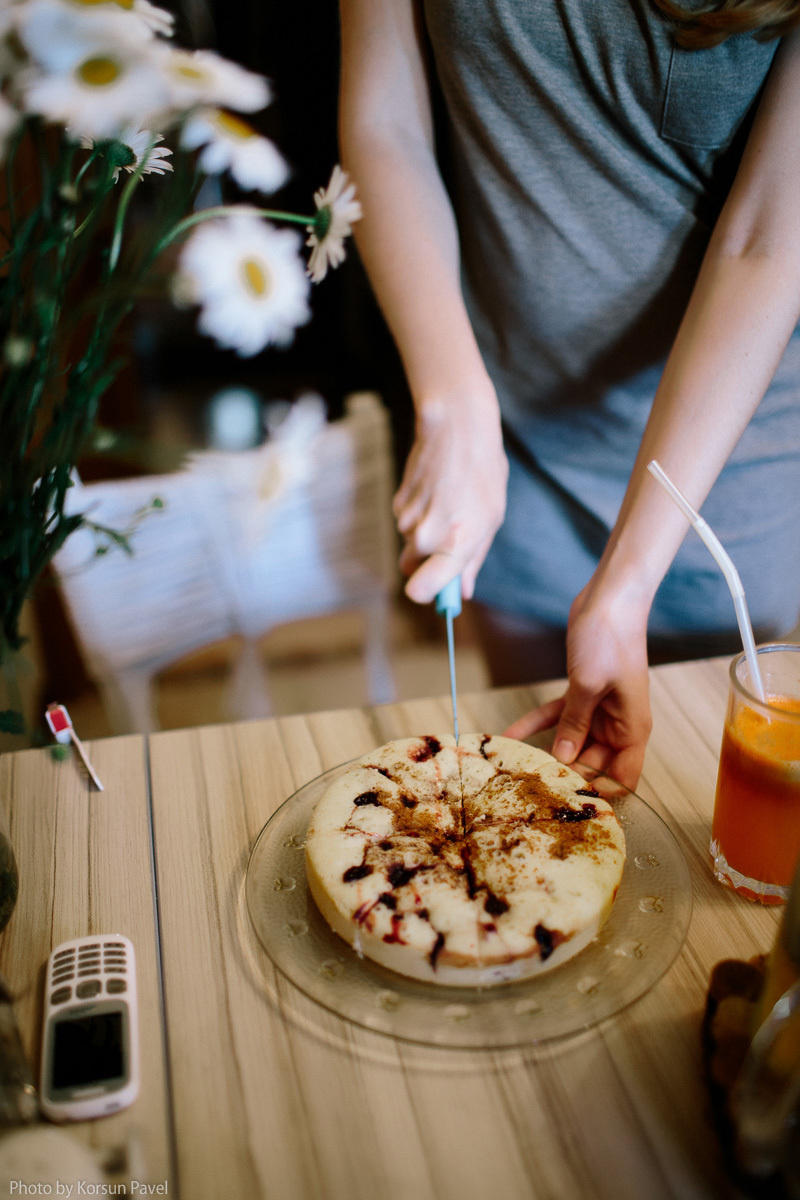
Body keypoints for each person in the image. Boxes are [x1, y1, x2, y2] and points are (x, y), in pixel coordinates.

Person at [339, 0, 800, 788]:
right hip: (509, 437)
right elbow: (385, 122)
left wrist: (626, 586)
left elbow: (769, 238)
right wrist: (454, 400)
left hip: (715, 473)